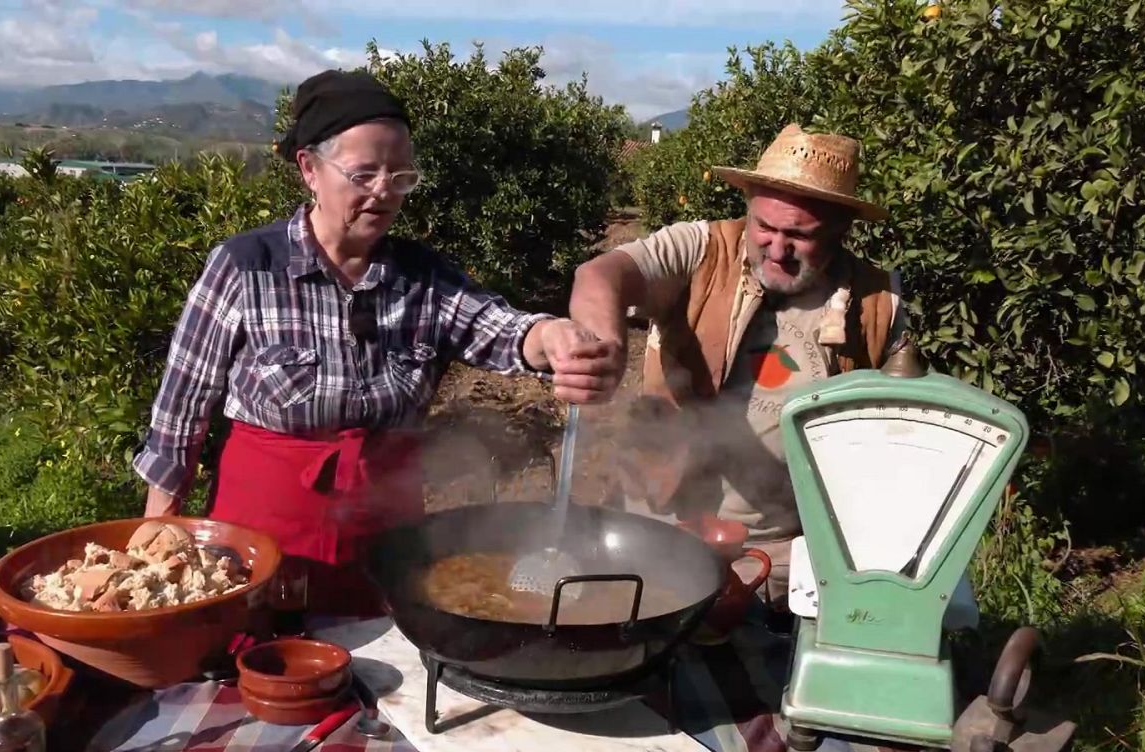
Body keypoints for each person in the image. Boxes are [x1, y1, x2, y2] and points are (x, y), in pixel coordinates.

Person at [133, 69, 620, 620]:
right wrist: (159, 531)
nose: (384, 192)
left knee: (387, 667)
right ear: (310, 169)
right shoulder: (247, 267)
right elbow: (181, 407)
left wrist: (551, 336)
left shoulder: (424, 277)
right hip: (265, 531)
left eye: (400, 176)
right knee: (264, 668)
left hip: (387, 530)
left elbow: (500, 328)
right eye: (364, 174)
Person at [568, 123, 908, 604]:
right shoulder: (701, 252)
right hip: (658, 533)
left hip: (777, 555)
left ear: (840, 229)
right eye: (764, 226)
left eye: (799, 235)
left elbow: (894, 436)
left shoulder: (877, 305)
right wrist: (604, 343)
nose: (776, 247)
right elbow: (599, 275)